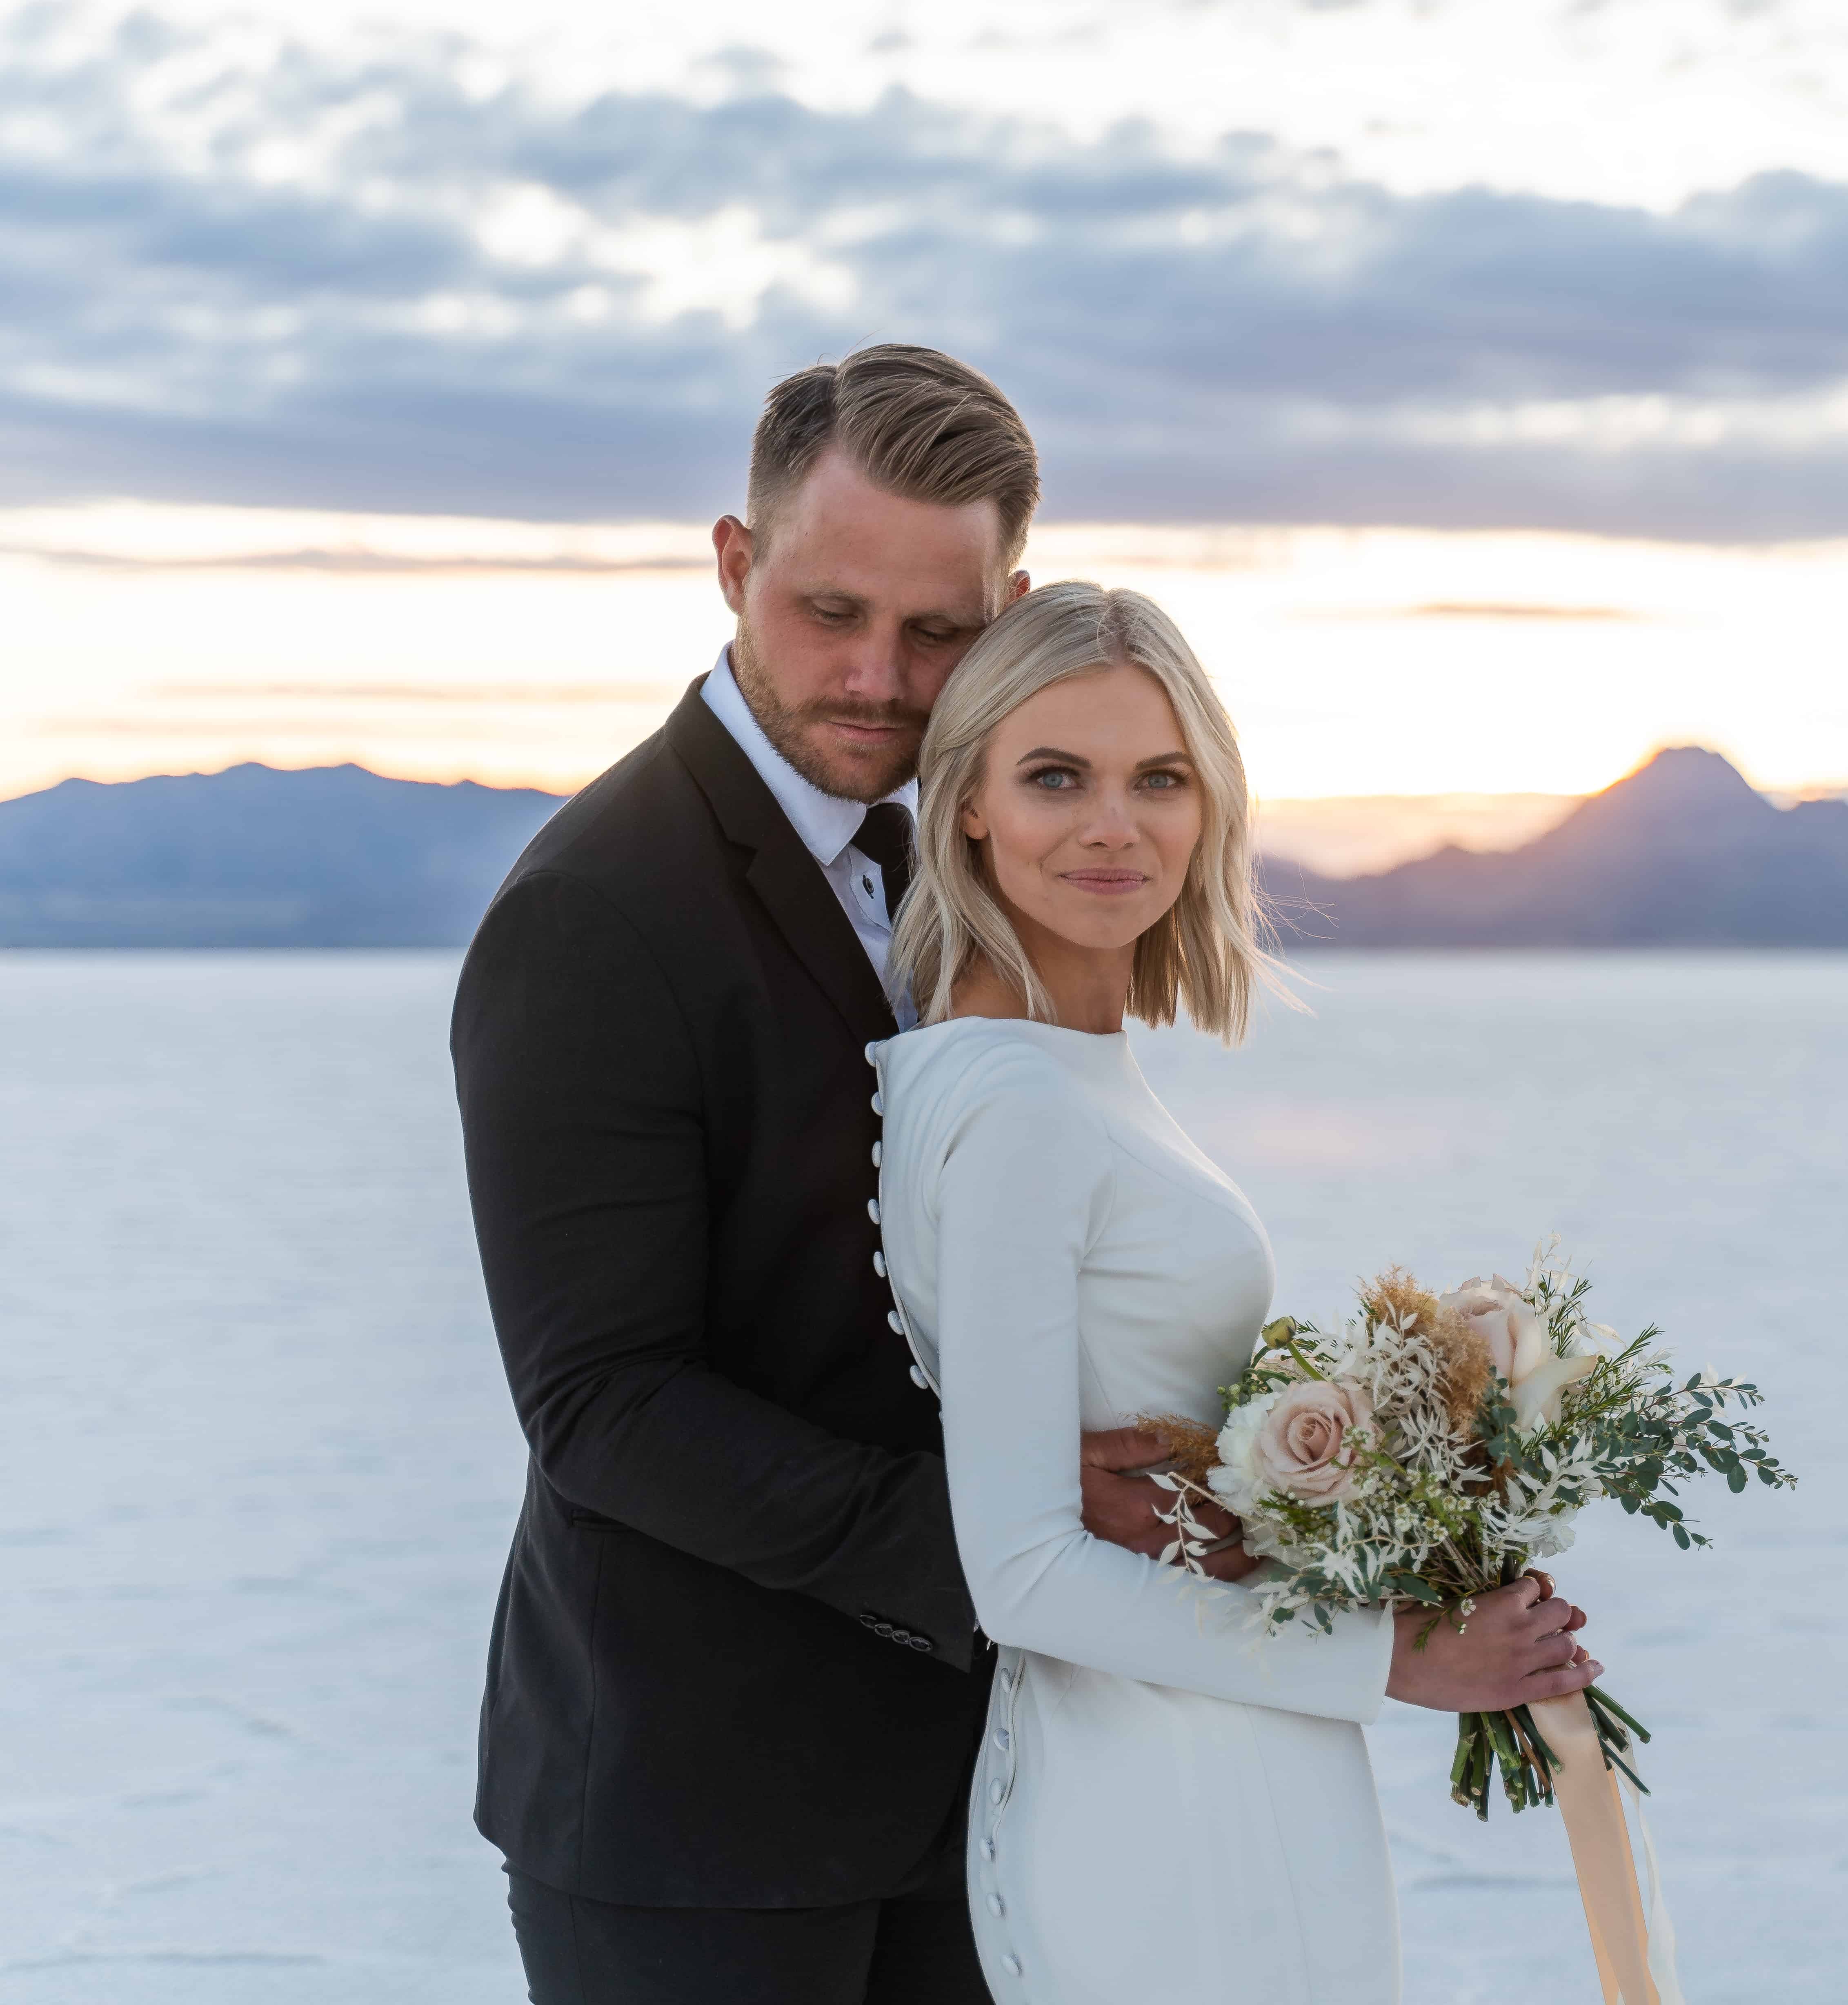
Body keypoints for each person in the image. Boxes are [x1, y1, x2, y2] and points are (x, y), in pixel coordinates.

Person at [451, 346, 1266, 2005]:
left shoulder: (969, 862)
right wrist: (1011, 1525)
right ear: (736, 566)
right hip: (699, 1818)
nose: (878, 679)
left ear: (1009, 605)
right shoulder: (595, 915)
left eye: (937, 631)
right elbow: (602, 1402)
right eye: (830, 612)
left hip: (980, 1790)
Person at [870, 582, 1598, 2002]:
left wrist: (1366, 1501)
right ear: (965, 805)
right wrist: (1391, 1653)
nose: (1113, 825)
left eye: (1161, 778)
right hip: (1152, 1782)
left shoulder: (1060, 1071)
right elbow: (1019, 1571)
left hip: (1219, 1740)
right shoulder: (1016, 1099)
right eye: (1054, 777)